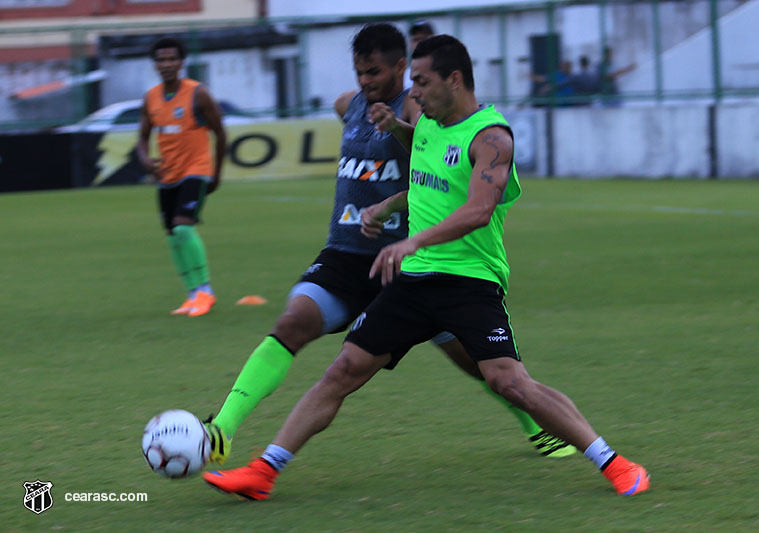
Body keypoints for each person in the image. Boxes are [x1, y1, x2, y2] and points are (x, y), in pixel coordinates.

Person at [203, 34, 650, 500]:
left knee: (508, 381)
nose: (413, 91)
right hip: (413, 283)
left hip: (469, 282)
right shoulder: (429, 124)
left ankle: (614, 463)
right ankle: (263, 471)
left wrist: (411, 239)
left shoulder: (492, 137)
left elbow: (478, 210)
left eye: (421, 81)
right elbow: (425, 167)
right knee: (343, 371)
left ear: (454, 80)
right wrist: (390, 183)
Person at [136, 37, 226, 317]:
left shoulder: (198, 94)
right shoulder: (151, 97)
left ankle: (205, 292)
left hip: (196, 170)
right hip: (168, 174)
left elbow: (220, 133)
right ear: (155, 64)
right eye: (161, 60)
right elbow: (142, 136)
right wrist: (145, 160)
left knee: (184, 227)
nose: (166, 64)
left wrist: (216, 173)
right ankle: (191, 294)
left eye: (172, 59)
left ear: (181, 62)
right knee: (173, 235)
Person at [405, 20, 435, 88]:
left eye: (422, 39)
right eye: (415, 39)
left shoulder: (442, 71)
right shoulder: (406, 77)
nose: (419, 43)